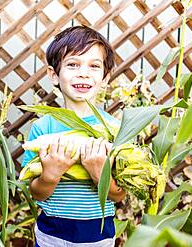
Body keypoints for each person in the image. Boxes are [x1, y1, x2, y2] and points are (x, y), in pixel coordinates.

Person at [22, 26, 126, 247]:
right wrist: (50, 175)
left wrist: (101, 175)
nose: (83, 73)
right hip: (51, 235)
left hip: (98, 237)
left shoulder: (116, 130)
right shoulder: (43, 128)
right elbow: (36, 193)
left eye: (94, 66)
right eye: (72, 65)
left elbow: (120, 195)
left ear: (105, 77)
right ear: (54, 75)